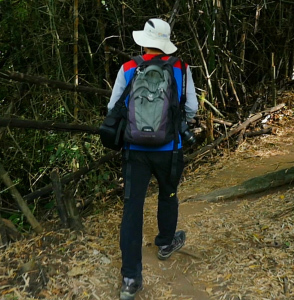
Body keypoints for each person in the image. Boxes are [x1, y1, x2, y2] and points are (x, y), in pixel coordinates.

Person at [107, 18, 198, 300]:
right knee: (168, 195)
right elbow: (192, 108)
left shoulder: (129, 68)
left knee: (132, 209)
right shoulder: (181, 68)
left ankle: (130, 279)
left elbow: (113, 107)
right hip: (170, 150)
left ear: (145, 41)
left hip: (135, 152)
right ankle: (165, 242)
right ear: (166, 44)